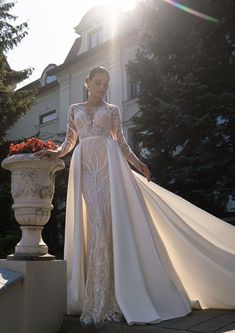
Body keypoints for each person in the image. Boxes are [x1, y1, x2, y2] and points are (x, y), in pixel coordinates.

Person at [36, 66, 235, 326]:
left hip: (110, 171)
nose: (102, 87)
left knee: (106, 224)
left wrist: (139, 164)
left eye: (106, 83)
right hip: (85, 170)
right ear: (87, 83)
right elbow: (69, 143)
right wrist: (54, 153)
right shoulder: (74, 109)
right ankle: (96, 296)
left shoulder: (113, 111)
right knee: (95, 225)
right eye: (98, 82)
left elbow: (121, 143)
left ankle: (109, 297)